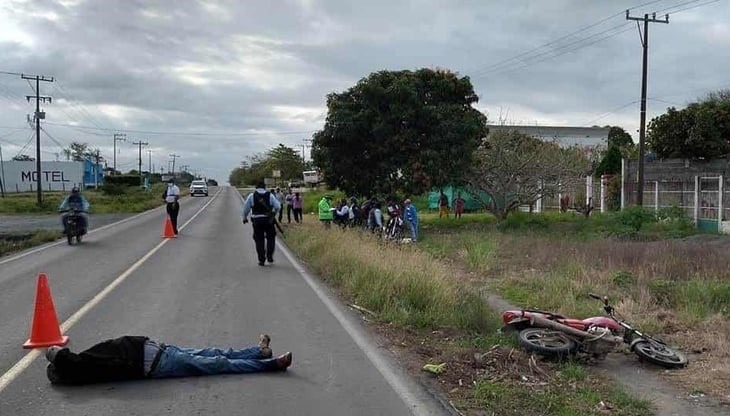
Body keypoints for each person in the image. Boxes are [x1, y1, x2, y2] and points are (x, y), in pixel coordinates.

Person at [44, 334, 292, 385]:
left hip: (162, 349)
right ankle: (270, 365)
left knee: (215, 352)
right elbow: (65, 359)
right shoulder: (83, 366)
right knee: (218, 363)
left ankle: (258, 352)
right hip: (160, 363)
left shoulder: (87, 359)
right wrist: (53, 354)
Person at [242, 181, 281, 266]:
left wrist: (244, 218)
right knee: (271, 237)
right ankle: (270, 256)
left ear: (256, 187)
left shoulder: (252, 196)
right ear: (264, 187)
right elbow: (278, 206)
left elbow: (246, 208)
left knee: (259, 239)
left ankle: (261, 259)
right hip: (268, 220)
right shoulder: (270, 195)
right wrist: (273, 214)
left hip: (257, 220)